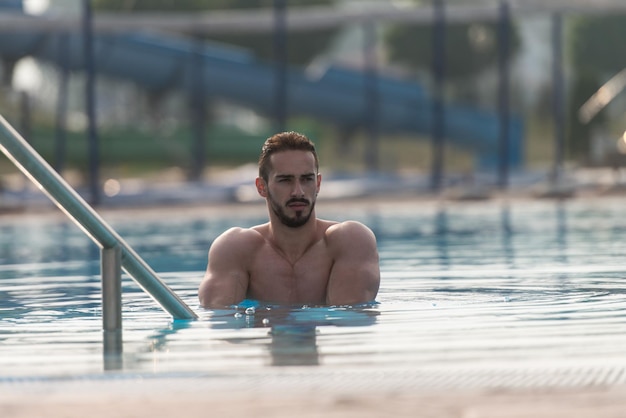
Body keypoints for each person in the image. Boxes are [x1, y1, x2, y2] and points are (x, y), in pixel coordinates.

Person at [198, 131, 380, 308]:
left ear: (317, 184)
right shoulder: (237, 248)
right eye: (285, 180)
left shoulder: (350, 241)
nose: (298, 191)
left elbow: (350, 319)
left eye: (307, 179)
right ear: (262, 187)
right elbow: (219, 322)